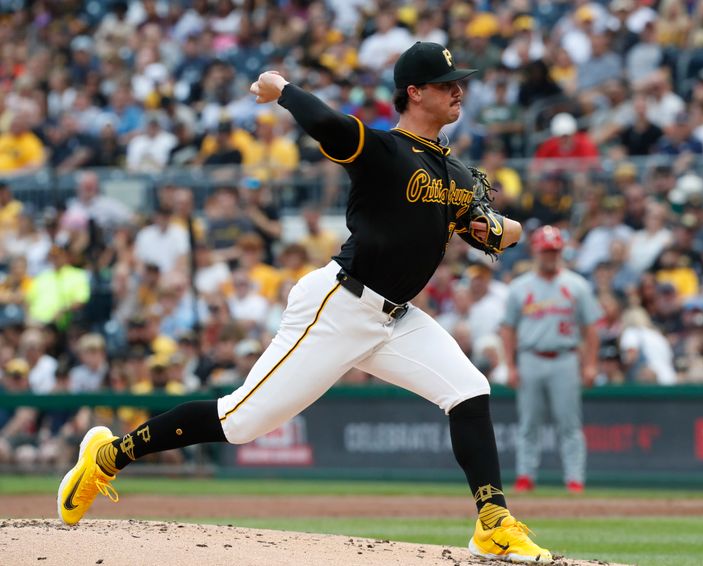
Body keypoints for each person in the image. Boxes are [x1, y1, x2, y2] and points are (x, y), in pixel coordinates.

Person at [57, 42, 552, 563]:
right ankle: (107, 457)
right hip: (338, 306)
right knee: (241, 422)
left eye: (460, 83)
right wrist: (285, 92)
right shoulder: (384, 149)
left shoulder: (453, 174)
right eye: (446, 83)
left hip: (396, 318)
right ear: (414, 92)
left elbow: (502, 232)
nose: (459, 91)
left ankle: (493, 522)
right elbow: (331, 125)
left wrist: (499, 229)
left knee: (469, 389)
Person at [501, 226, 600, 495]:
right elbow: (507, 328)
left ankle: (574, 480)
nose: (550, 256)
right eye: (546, 250)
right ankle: (525, 477)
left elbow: (591, 328)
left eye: (554, 250)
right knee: (528, 424)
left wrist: (590, 364)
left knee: (569, 424)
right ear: (536, 251)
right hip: (530, 356)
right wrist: (510, 365)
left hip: (565, 358)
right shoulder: (521, 287)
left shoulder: (576, 284)